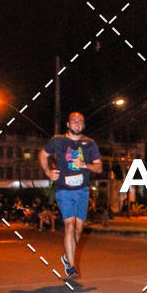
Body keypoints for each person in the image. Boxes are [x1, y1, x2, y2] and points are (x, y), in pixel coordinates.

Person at [39, 112, 102, 279]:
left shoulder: (90, 143)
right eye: (74, 120)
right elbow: (43, 154)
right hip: (64, 189)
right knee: (70, 226)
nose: (77, 123)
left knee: (79, 229)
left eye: (81, 121)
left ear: (84, 125)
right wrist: (47, 172)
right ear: (68, 124)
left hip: (82, 190)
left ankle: (67, 257)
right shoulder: (57, 140)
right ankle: (72, 267)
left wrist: (85, 165)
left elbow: (99, 167)